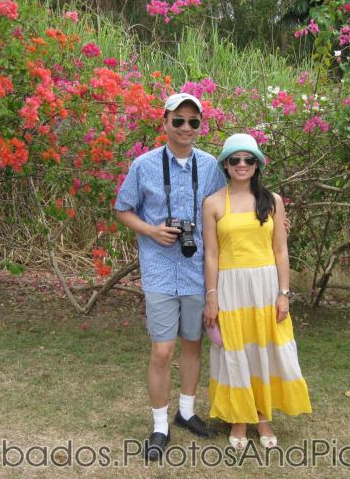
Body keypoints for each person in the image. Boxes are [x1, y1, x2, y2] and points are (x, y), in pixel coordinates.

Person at [114, 93, 227, 460]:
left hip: (197, 270)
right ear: (164, 123)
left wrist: (272, 213)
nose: (186, 128)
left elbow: (233, 201)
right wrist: (151, 230)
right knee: (162, 350)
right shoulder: (144, 165)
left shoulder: (210, 166)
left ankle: (187, 411)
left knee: (193, 343)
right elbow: (122, 208)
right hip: (160, 269)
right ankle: (160, 425)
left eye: (193, 122)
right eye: (178, 120)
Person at [202, 133, 312, 451]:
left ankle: (263, 417)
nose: (241, 164)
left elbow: (280, 251)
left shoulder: (272, 201)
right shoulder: (212, 203)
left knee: (264, 350)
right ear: (226, 164)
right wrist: (212, 295)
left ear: (257, 164)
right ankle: (240, 417)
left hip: (265, 288)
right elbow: (211, 254)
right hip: (230, 287)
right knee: (236, 352)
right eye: (235, 159)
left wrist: (284, 293)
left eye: (248, 159)